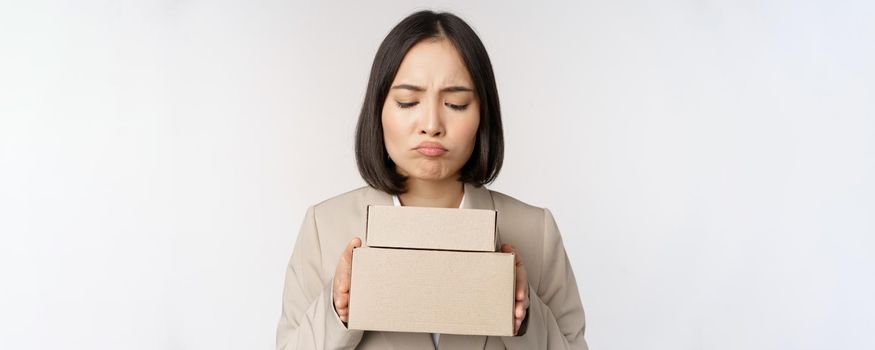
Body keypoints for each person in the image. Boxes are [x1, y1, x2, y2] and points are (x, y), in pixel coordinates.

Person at [276, 10, 588, 350]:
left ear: (483, 114)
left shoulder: (535, 231)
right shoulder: (325, 227)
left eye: (455, 103)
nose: (431, 124)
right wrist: (337, 310)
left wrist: (525, 316)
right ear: (378, 109)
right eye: (408, 101)